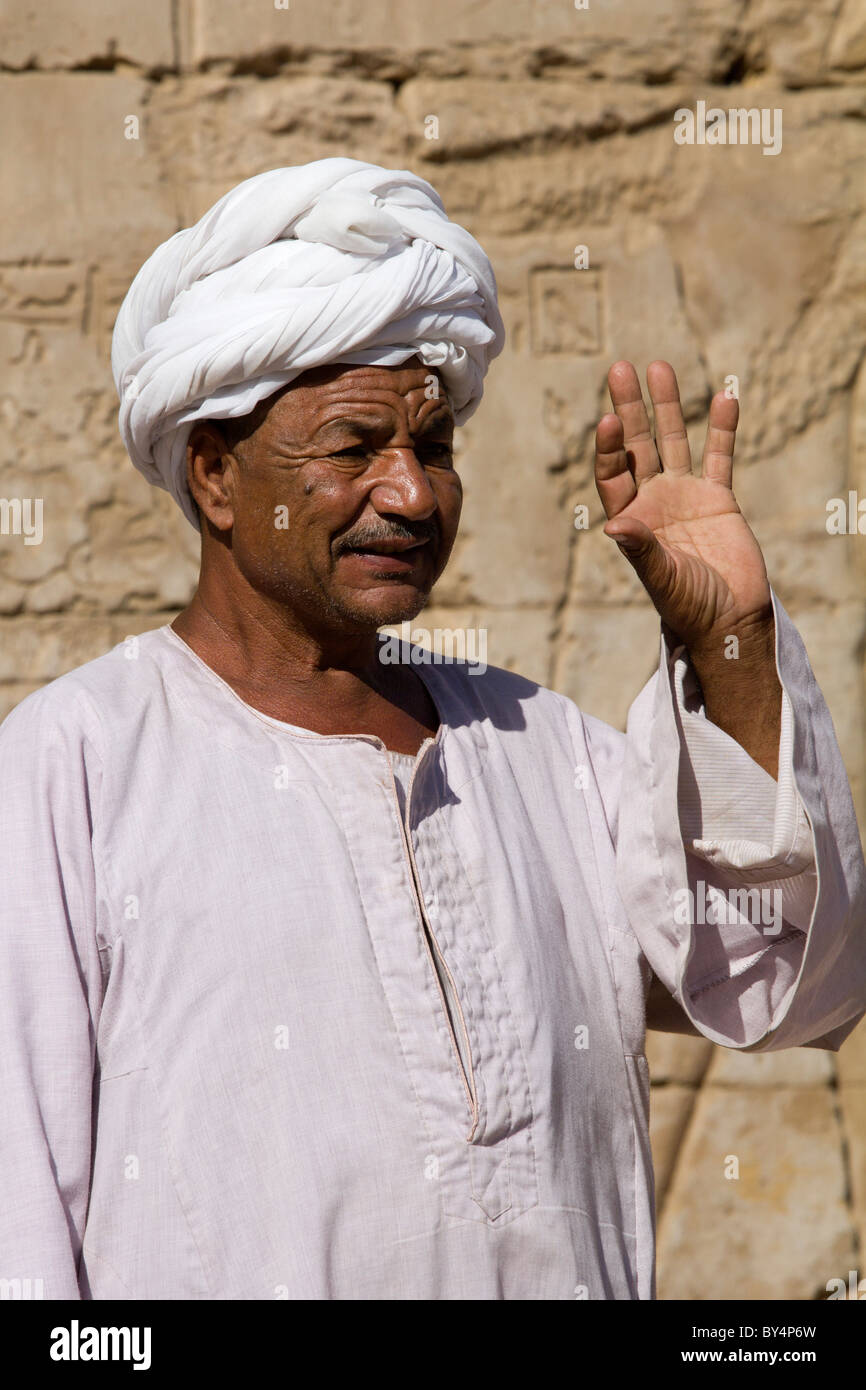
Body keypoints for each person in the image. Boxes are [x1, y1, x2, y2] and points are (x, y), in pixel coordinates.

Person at [1, 158, 863, 1302]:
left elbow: (788, 983)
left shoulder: (544, 752)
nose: (411, 495)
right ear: (214, 474)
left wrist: (732, 643)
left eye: (434, 448)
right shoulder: (74, 766)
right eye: (355, 447)